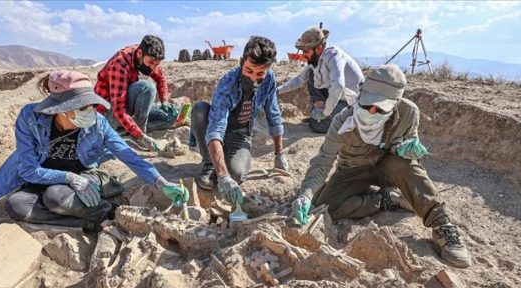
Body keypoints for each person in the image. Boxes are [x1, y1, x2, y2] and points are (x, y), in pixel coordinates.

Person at [290, 65, 471, 268]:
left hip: (388, 166)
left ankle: (442, 226)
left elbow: (411, 149)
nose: (371, 112)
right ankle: (384, 200)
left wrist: (407, 150)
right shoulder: (343, 121)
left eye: (379, 108)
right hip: (353, 170)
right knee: (325, 205)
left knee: (407, 167)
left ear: (394, 104)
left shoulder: (409, 112)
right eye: (367, 105)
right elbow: (322, 162)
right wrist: (305, 194)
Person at [0, 70, 188, 231]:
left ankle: (106, 212)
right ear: (61, 109)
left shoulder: (98, 124)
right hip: (42, 179)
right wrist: (69, 178)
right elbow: (28, 170)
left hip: (84, 176)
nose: (90, 112)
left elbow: (129, 156)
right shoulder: (30, 118)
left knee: (55, 197)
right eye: (82, 107)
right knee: (16, 206)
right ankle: (86, 223)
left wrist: (161, 182)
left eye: (91, 105)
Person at [191, 36, 288, 206]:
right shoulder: (228, 83)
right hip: (222, 129)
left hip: (241, 134)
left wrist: (279, 154)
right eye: (249, 71)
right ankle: (209, 164)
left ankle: (222, 161)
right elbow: (215, 128)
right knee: (200, 110)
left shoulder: (269, 80)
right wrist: (222, 177)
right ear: (241, 62)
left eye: (260, 74)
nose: (253, 78)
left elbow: (273, 114)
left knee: (236, 175)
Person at [277, 26, 365, 134]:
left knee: (319, 127)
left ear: (318, 49)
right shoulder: (315, 59)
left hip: (349, 101)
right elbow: (299, 79)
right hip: (335, 97)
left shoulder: (333, 55)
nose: (303, 55)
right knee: (310, 75)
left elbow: (338, 85)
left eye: (305, 51)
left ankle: (323, 117)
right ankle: (320, 114)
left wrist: (326, 113)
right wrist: (277, 90)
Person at [94, 35, 173, 152]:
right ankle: (136, 135)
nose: (152, 67)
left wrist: (164, 101)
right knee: (148, 87)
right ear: (140, 53)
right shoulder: (120, 64)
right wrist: (142, 136)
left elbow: (161, 79)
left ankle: (127, 130)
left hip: (126, 108)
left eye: (156, 64)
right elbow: (118, 110)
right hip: (108, 112)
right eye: (150, 63)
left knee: (169, 117)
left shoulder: (148, 57)